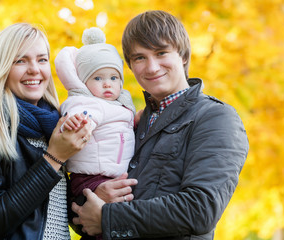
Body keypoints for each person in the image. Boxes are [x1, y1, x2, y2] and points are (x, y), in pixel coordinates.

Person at [71, 10, 249, 240]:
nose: (152, 67)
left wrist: (108, 216)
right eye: (139, 58)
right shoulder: (129, 120)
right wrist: (94, 195)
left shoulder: (216, 117)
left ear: (183, 56)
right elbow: (82, 210)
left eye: (161, 53)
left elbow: (201, 210)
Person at [0, 23, 92, 240]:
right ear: (2, 67)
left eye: (42, 59)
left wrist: (95, 201)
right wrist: (54, 157)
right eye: (20, 60)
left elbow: (52, 209)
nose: (34, 69)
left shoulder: (53, 124)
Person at [54, 27, 136, 202]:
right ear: (84, 83)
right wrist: (78, 123)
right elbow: (84, 116)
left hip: (112, 175)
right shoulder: (88, 103)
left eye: (113, 78)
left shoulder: (120, 105)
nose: (107, 84)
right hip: (90, 178)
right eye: (98, 78)